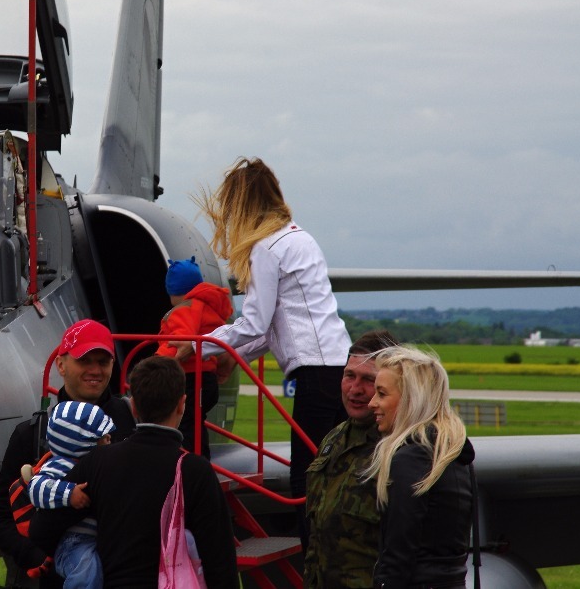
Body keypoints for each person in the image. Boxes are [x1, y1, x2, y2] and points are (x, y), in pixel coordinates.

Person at [174, 157, 351, 546]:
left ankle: (315, 562)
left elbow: (254, 324)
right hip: (341, 366)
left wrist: (200, 346)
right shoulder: (300, 237)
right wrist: (227, 355)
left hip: (315, 373)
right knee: (338, 472)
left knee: (306, 477)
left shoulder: (265, 249)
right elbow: (274, 330)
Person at [30, 356, 239, 588]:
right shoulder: (195, 470)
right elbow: (220, 563)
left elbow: (41, 530)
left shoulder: (99, 460)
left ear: (134, 406)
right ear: (182, 404)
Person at [0, 319, 136, 588]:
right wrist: (32, 555)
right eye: (85, 361)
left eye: (103, 362)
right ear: (61, 365)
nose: (95, 370)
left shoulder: (132, 423)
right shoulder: (33, 433)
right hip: (59, 575)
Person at [363, 345, 475, 589]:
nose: (372, 403)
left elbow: (399, 550)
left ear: (410, 401)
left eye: (382, 394)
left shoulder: (409, 459)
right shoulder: (452, 453)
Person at [303, 329, 399, 589]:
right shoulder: (333, 440)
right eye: (349, 376)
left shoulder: (398, 449)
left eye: (368, 380)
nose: (355, 389)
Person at [27, 401, 116, 589]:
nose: (109, 438)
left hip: (97, 540)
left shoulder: (99, 465)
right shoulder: (60, 465)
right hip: (73, 543)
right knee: (86, 571)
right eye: (102, 436)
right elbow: (36, 487)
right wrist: (68, 493)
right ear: (81, 442)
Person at [155, 256, 235, 457]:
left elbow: (181, 340)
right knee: (196, 423)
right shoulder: (208, 307)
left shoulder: (185, 309)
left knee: (185, 425)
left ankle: (190, 463)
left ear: (174, 291)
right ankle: (200, 462)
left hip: (191, 378)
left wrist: (156, 363)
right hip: (206, 378)